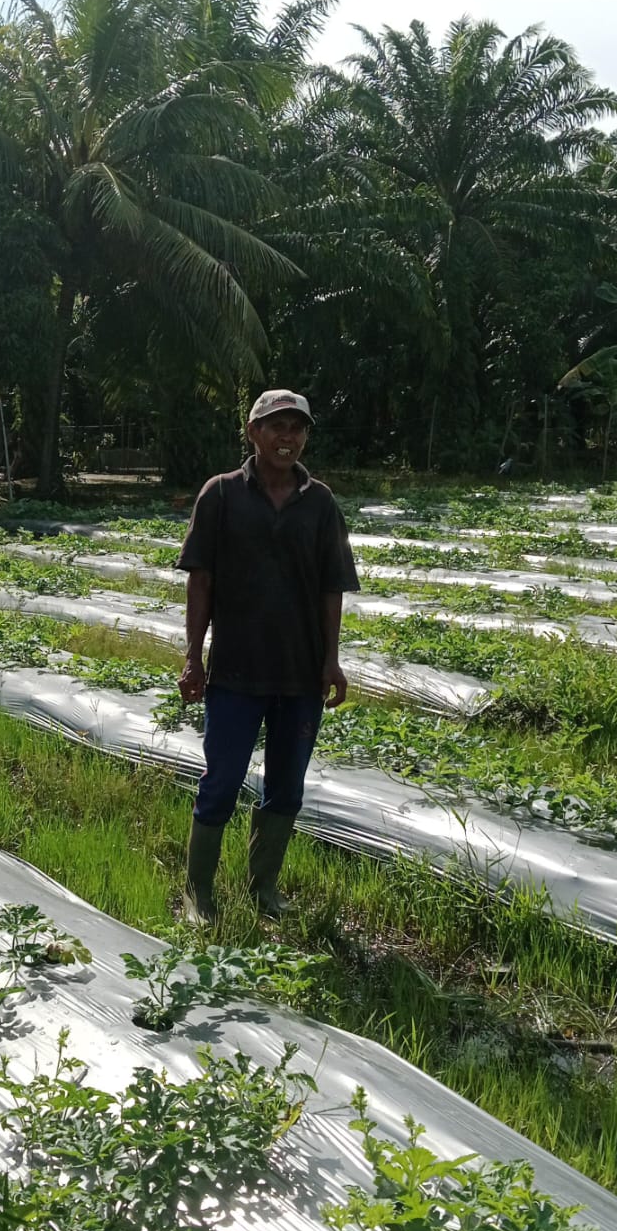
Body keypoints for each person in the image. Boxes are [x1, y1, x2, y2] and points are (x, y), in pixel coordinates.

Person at [175, 389, 359, 922]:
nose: (289, 438)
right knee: (222, 780)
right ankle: (199, 893)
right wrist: (193, 656)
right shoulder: (222, 495)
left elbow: (332, 588)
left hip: (300, 676)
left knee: (286, 786)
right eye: (277, 427)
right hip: (235, 670)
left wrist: (332, 659)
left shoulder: (320, 502)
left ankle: (263, 889)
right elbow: (201, 582)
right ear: (253, 433)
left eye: (298, 429)